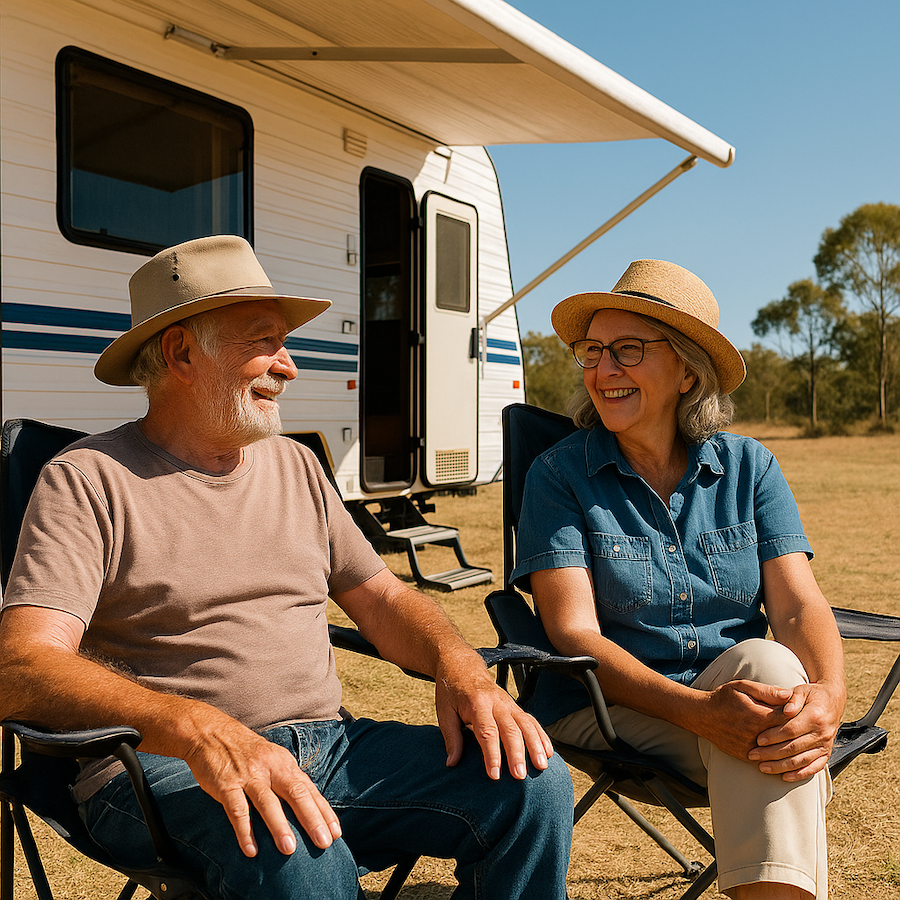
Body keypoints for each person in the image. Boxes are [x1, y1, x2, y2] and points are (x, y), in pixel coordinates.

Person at [0, 235, 573, 900]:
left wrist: (458, 660)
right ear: (183, 352)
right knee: (296, 849)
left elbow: (384, 597)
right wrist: (196, 727)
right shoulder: (90, 480)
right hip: (166, 767)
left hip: (330, 749)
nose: (290, 365)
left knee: (533, 782)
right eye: (264, 341)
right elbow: (21, 668)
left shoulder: (297, 466)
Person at [511, 259, 845, 900]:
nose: (602, 370)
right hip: (610, 706)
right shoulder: (560, 476)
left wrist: (828, 694)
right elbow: (572, 631)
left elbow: (799, 604)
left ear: (687, 370)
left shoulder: (751, 468)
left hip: (739, 690)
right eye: (592, 352)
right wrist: (701, 713)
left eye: (627, 351)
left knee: (771, 678)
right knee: (771, 724)